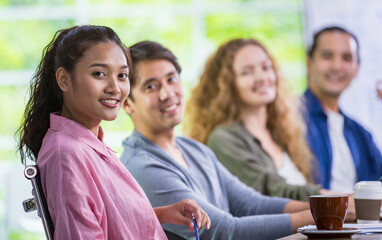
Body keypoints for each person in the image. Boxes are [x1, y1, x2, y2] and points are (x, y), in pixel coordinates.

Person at [120, 41, 342, 239]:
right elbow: (223, 231)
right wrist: (323, 215)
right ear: (127, 103)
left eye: (171, 79)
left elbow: (250, 204)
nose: (167, 93)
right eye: (151, 86)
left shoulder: (193, 149)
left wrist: (330, 208)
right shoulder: (142, 166)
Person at [17, 25, 209, 239]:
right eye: (99, 74)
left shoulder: (88, 144)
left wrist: (162, 213)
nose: (115, 88)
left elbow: (109, 220)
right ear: (64, 79)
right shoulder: (67, 154)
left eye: (122, 75)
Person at [184, 38, 323, 201]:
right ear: (227, 84)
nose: (262, 77)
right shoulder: (223, 139)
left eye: (266, 67)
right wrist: (339, 199)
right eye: (247, 72)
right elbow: (272, 194)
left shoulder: (281, 133)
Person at [303, 26, 382, 198]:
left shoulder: (359, 133)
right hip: (314, 222)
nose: (337, 66)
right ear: (309, 63)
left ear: (356, 68)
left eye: (346, 58)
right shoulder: (289, 121)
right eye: (327, 56)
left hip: (361, 224)